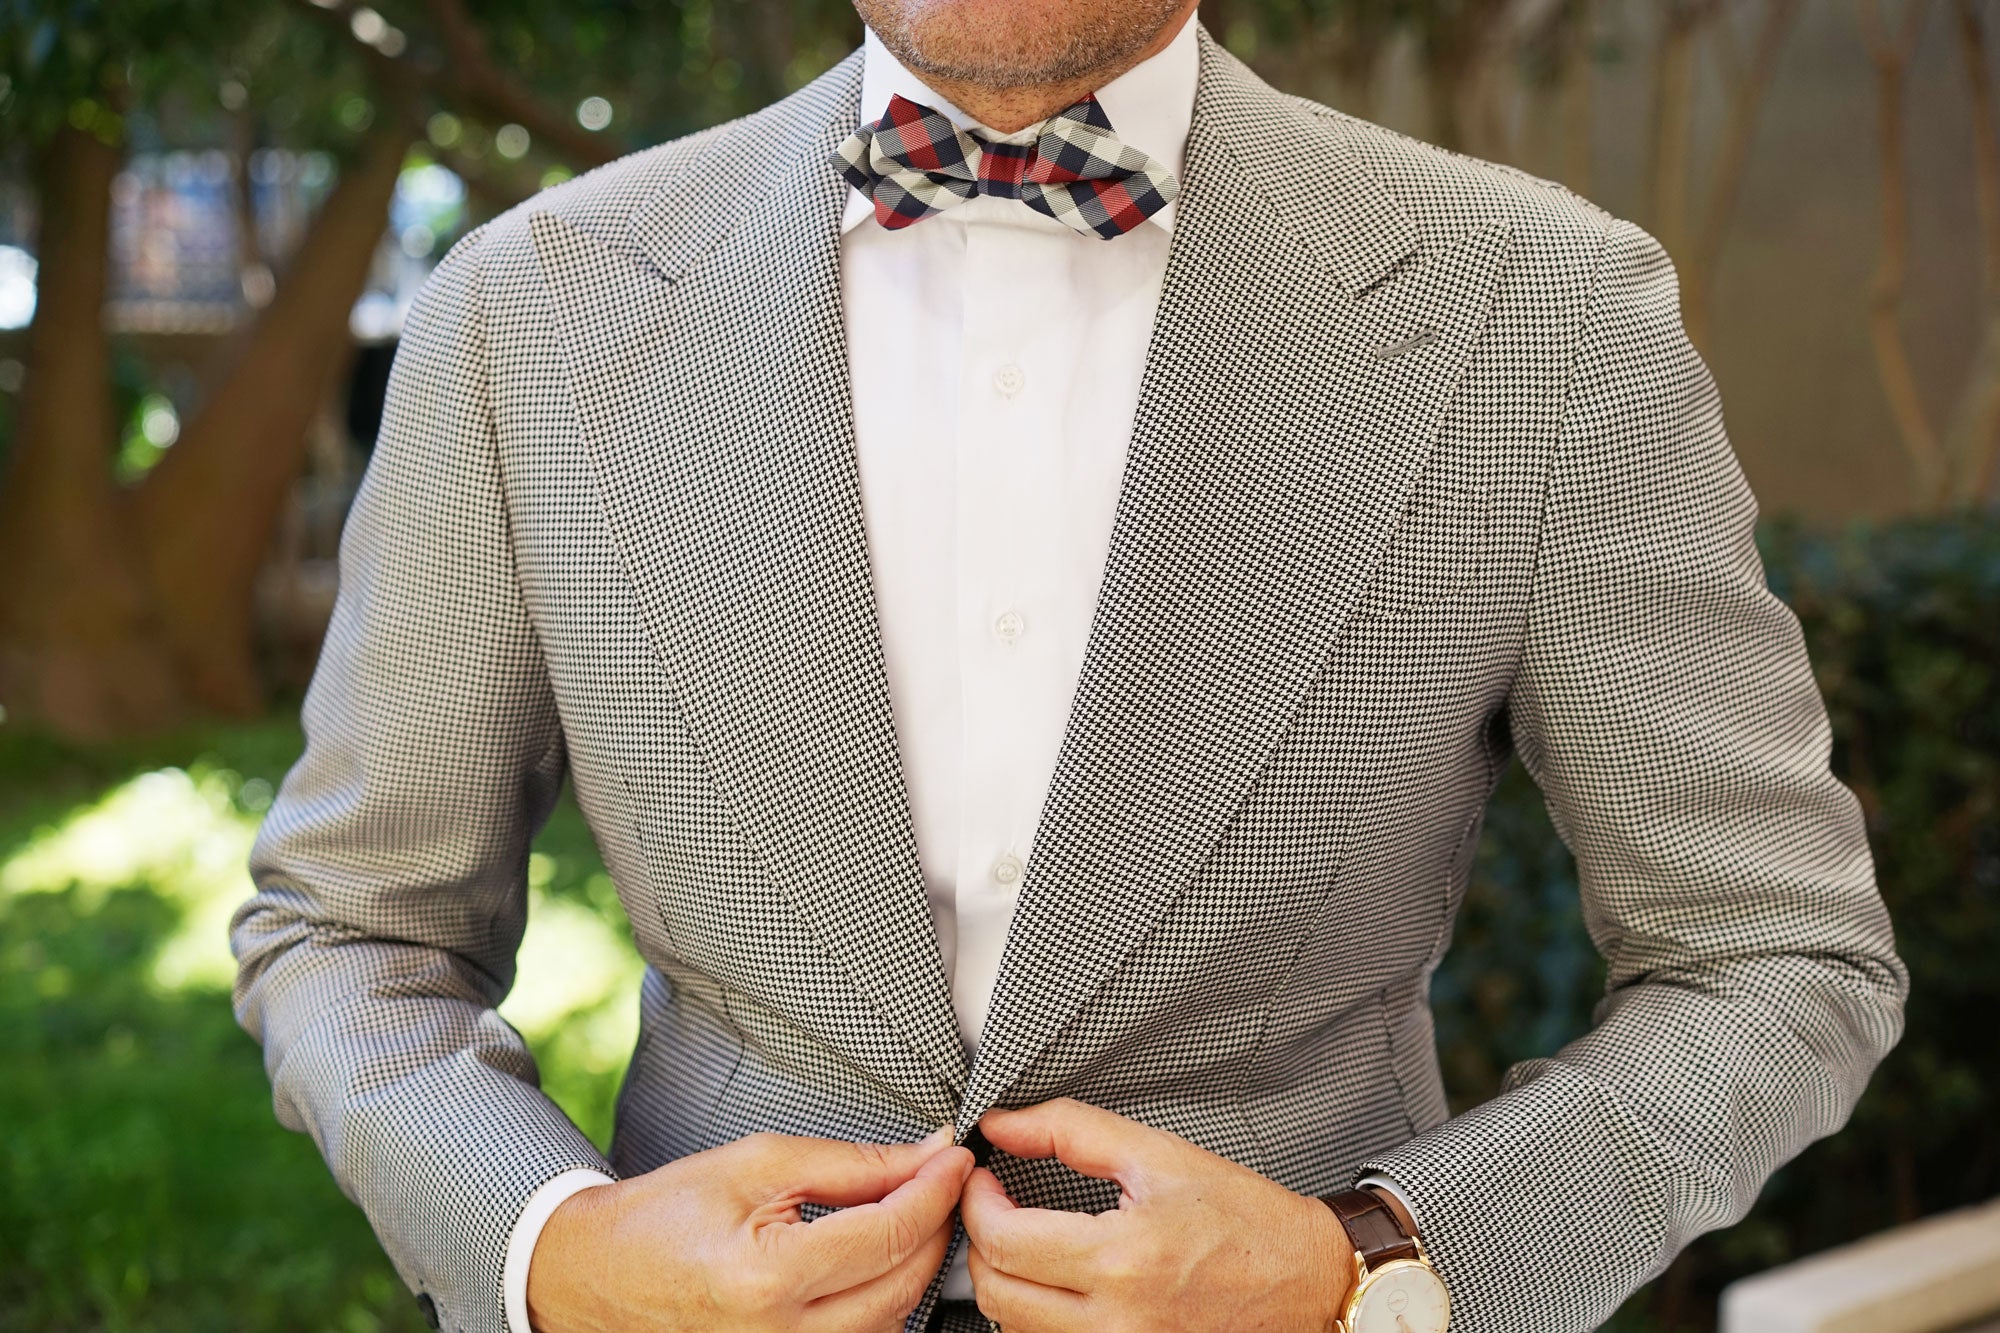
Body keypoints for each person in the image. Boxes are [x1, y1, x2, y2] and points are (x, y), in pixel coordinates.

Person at [230, 0, 1908, 1329]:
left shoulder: (1546, 316)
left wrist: (1377, 1264)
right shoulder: (525, 312)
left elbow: (1774, 953)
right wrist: (554, 1250)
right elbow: (351, 927)